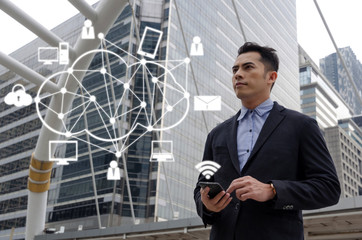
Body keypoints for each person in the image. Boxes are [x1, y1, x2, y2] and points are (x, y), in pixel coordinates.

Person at [194, 42, 341, 240]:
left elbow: (328, 188)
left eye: (248, 67)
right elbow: (200, 188)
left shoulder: (301, 126)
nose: (238, 74)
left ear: (271, 77)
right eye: (235, 69)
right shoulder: (216, 134)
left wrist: (272, 190)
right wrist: (207, 205)